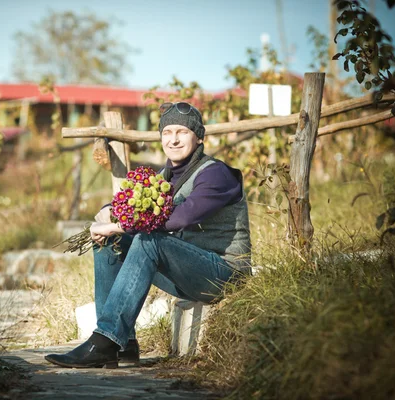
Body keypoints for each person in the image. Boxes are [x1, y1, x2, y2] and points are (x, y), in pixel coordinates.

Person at [45, 101, 251, 369]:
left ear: (199, 137)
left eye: (182, 132)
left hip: (225, 273)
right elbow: (129, 205)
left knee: (147, 239)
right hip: (189, 272)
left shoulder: (216, 174)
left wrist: (119, 225)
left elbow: (182, 217)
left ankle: (104, 340)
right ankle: (122, 345)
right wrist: (109, 213)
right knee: (112, 242)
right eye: (167, 133)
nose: (173, 140)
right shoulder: (166, 176)